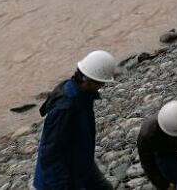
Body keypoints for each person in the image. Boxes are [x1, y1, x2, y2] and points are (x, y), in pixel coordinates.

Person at [34, 50, 116, 190]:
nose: (102, 86)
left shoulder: (82, 94)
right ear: (89, 81)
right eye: (101, 83)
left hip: (80, 160)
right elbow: (50, 154)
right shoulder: (65, 107)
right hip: (60, 177)